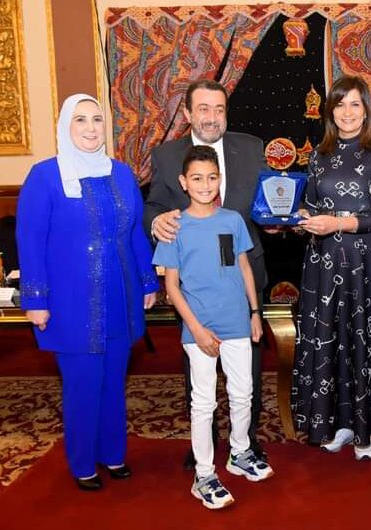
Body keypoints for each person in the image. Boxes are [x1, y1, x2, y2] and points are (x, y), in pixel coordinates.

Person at [16, 94, 159, 490]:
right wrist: (35, 300)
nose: (91, 128)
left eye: (97, 119)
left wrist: (147, 281)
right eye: (80, 120)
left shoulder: (122, 173)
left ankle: (113, 453)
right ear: (66, 126)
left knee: (114, 380)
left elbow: (133, 233)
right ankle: (82, 463)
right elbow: (30, 239)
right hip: (71, 300)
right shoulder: (45, 176)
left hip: (120, 294)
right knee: (82, 383)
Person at [144, 79, 269, 465]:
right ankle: (206, 442)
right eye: (203, 109)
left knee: (247, 369)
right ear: (187, 113)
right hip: (195, 286)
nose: (212, 117)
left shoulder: (251, 148)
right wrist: (156, 222)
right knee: (198, 367)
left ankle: (245, 442)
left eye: (219, 109)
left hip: (243, 277)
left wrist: (279, 218)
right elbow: (153, 205)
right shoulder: (166, 156)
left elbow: (265, 203)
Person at [291, 75, 371, 459]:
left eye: (355, 104)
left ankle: (365, 432)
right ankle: (341, 425)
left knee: (364, 341)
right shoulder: (318, 155)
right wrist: (300, 218)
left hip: (366, 264)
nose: (347, 112)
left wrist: (335, 223)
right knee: (332, 341)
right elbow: (313, 205)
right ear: (330, 111)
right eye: (340, 104)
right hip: (324, 263)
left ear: (366, 111)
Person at [153, 145, 273, 510]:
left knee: (243, 393)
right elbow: (172, 287)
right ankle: (204, 474)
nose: (205, 185)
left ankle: (240, 452)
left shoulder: (232, 220)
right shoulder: (175, 227)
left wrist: (255, 312)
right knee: (203, 403)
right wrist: (197, 329)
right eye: (197, 178)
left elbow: (244, 267)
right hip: (199, 328)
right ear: (183, 182)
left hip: (237, 322)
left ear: (220, 179)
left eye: (211, 177)